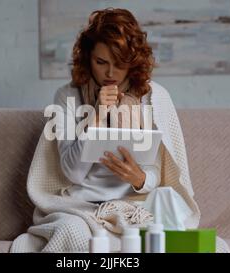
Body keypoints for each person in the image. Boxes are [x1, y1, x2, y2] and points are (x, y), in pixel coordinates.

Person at [53, 8, 162, 202]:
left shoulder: (150, 96)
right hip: (80, 203)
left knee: (171, 205)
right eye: (101, 62)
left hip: (134, 203)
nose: (110, 73)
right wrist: (97, 114)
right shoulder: (67, 96)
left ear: (133, 63)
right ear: (88, 58)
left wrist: (140, 179)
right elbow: (73, 173)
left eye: (120, 64)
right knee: (70, 230)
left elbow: (156, 172)